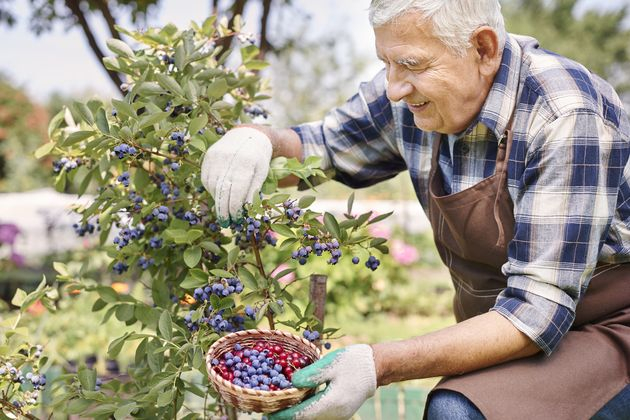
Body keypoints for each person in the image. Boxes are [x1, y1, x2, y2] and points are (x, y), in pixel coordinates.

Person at [201, 0, 630, 418]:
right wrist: (258, 142)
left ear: (482, 49)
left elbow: (537, 313)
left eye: (410, 64)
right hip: (509, 324)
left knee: (457, 411)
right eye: (386, 63)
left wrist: (378, 364)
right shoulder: (413, 95)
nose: (393, 87)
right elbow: (323, 147)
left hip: (609, 327)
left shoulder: (565, 115)